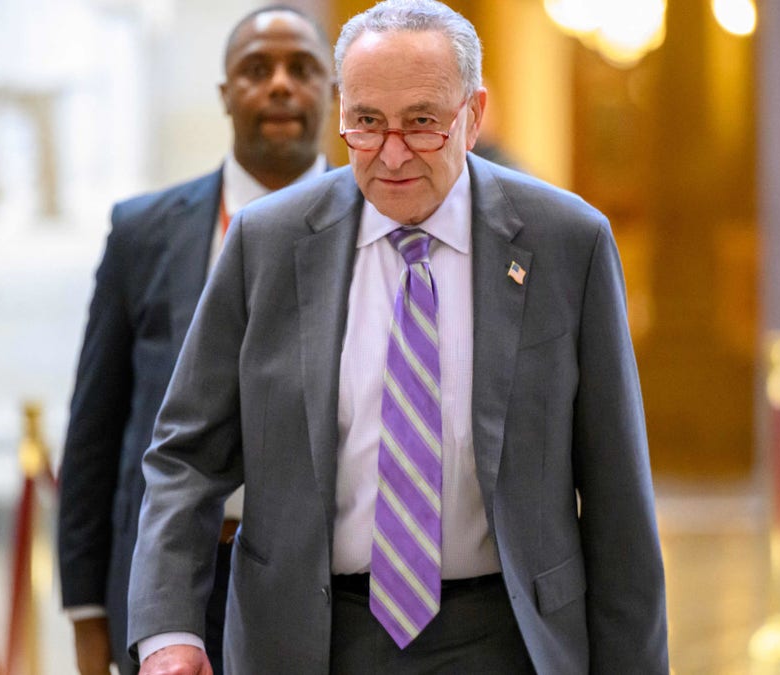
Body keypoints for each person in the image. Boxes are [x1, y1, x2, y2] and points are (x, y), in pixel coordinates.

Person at [129, 0, 668, 673]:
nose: (391, 153)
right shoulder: (267, 242)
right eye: (366, 123)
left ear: (472, 116)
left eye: (421, 124)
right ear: (340, 113)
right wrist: (169, 631)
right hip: (308, 636)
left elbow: (618, 496)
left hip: (505, 635)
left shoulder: (567, 243)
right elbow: (186, 456)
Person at [56, 7, 334, 675]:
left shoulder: (377, 233)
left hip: (322, 585)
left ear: (332, 90)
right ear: (224, 93)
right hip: (170, 578)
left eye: (302, 69)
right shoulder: (142, 232)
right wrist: (88, 613)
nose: (278, 86)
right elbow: (96, 430)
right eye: (255, 69)